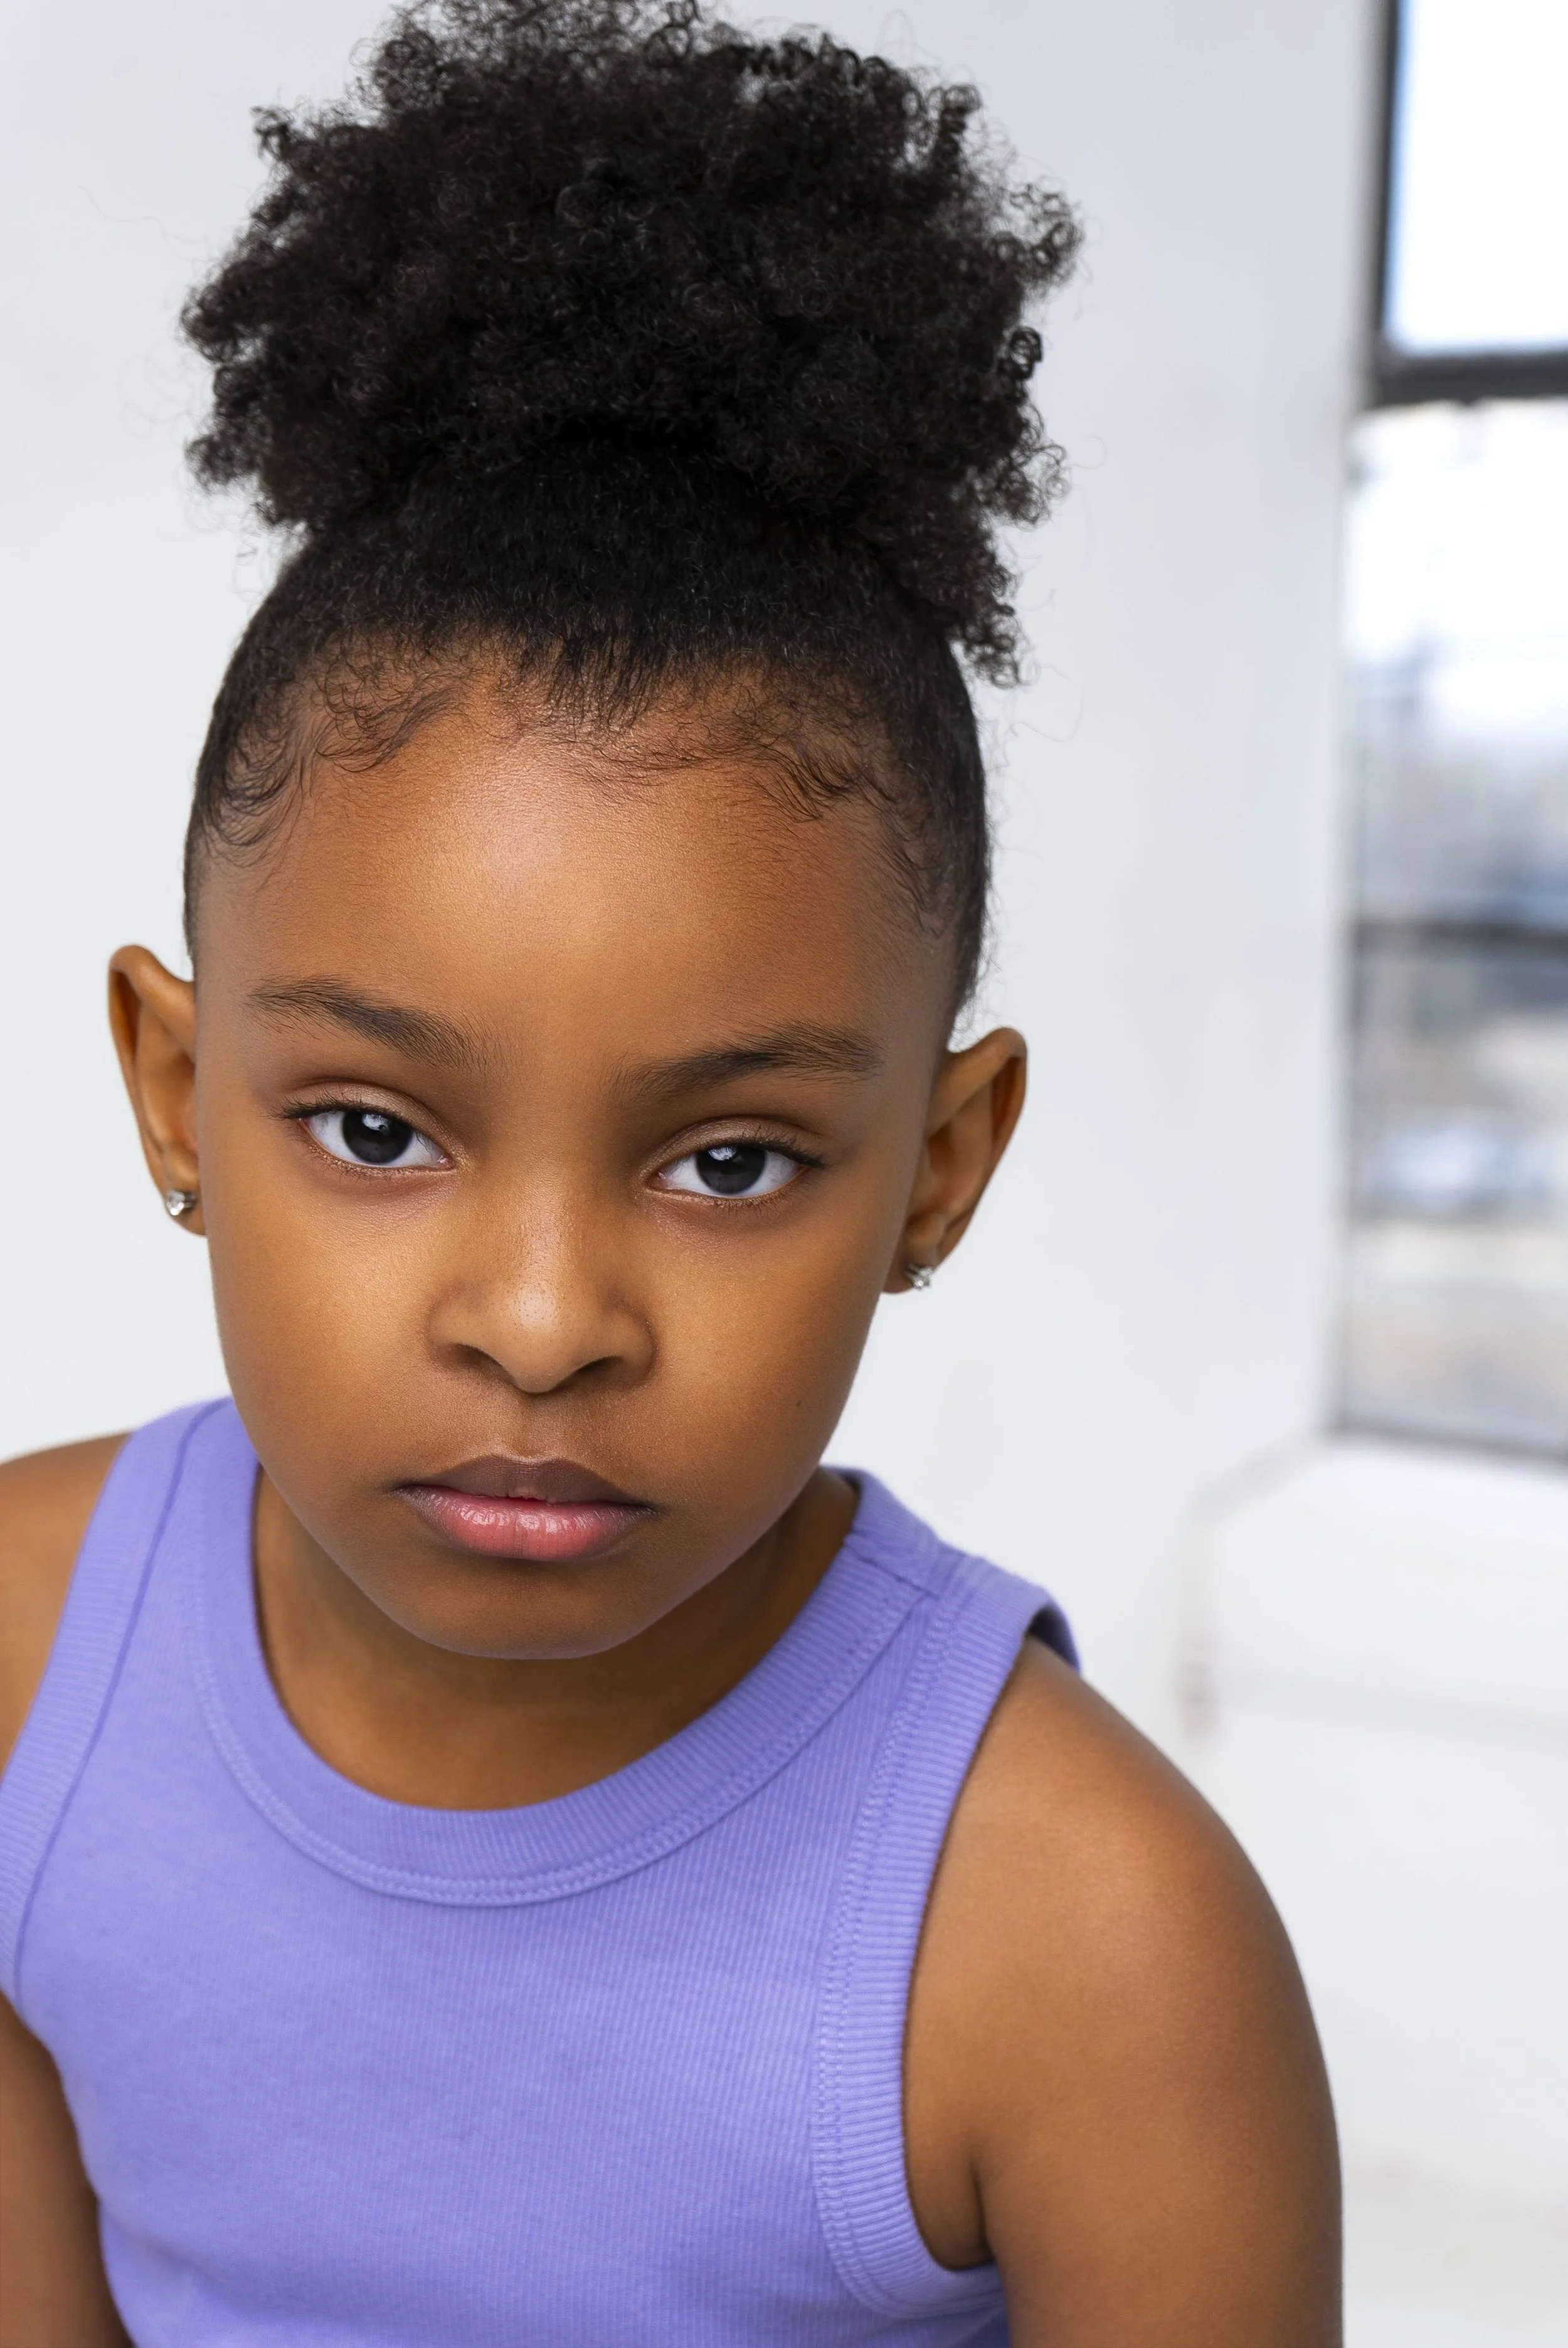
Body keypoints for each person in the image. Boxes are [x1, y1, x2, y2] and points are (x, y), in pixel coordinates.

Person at [0, 3, 1340, 2340]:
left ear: (938, 1166)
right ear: (165, 1087)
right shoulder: (21, 1674)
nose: (539, 1315)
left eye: (728, 1158)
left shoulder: (1082, 1937)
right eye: (374, 1129)